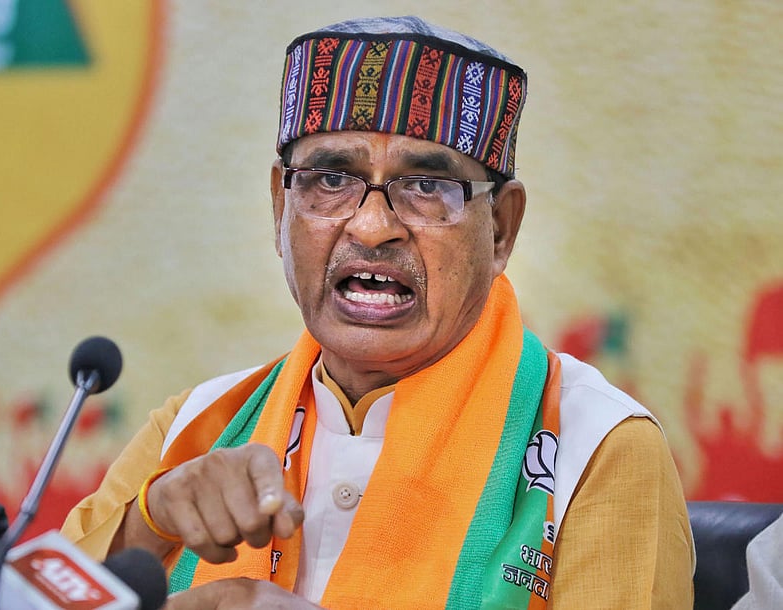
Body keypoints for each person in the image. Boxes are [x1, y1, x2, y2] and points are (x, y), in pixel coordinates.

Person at [62, 16, 695, 609]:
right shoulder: (196, 427)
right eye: (330, 179)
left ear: (500, 229)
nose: (370, 226)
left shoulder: (600, 447)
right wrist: (153, 521)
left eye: (427, 187)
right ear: (281, 209)